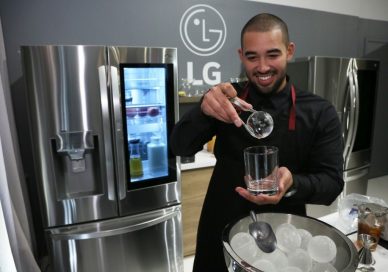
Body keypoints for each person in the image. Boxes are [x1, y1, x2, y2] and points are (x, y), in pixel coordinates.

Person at [170, 13, 344, 271]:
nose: (262, 67)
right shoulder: (228, 100)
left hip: (285, 239)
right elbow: (179, 146)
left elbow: (332, 183)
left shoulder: (319, 112)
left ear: (289, 51)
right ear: (241, 55)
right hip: (220, 230)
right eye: (252, 57)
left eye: (272, 54)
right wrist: (203, 110)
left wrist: (293, 183)